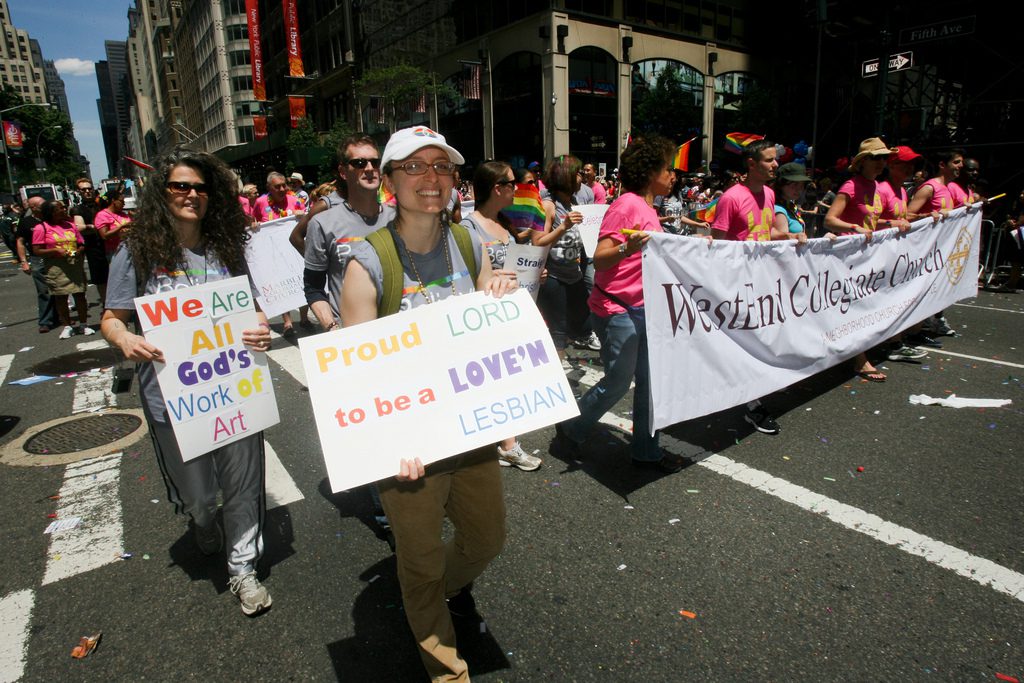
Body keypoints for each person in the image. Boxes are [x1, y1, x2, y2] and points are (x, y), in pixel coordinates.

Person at [340, 126, 516, 682]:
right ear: (389, 182)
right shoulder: (366, 262)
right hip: (409, 447)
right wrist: (392, 442)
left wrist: (503, 289)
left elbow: (495, 309)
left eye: (440, 166)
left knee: (487, 538)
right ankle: (447, 670)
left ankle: (445, 587)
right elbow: (356, 373)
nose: (430, 178)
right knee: (417, 560)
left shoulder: (469, 244)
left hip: (469, 430)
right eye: (413, 167)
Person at [100, 149, 274, 617]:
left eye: (200, 187)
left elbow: (253, 306)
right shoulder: (134, 251)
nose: (192, 195)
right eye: (181, 186)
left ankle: (243, 567)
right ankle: (201, 520)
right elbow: (111, 318)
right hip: (169, 398)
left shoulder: (227, 249)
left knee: (243, 484)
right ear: (162, 192)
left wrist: (260, 328)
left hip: (234, 389)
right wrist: (126, 339)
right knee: (198, 493)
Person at [551, 135, 687, 473]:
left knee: (649, 384)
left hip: (645, 309)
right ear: (649, 172)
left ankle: (645, 450)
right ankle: (573, 427)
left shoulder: (647, 207)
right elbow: (601, 257)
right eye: (667, 169)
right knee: (617, 382)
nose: (673, 175)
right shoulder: (627, 204)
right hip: (618, 310)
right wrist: (628, 248)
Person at [461, 160, 543, 471]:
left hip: (508, 315)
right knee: (495, 381)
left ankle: (501, 440)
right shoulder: (469, 228)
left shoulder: (506, 223)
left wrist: (534, 274)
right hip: (483, 317)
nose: (518, 189)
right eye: (512, 183)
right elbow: (468, 276)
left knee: (507, 380)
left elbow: (514, 266)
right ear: (498, 188)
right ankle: (508, 445)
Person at [710, 139, 782, 434]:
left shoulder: (769, 193)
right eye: (768, 160)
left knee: (761, 337)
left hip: (763, 280)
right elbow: (717, 245)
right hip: (738, 284)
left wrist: (792, 236)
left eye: (775, 159)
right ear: (751, 164)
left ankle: (750, 392)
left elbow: (768, 233)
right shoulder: (731, 197)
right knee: (744, 341)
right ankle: (752, 404)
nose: (775, 164)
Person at [303, 133, 394, 331]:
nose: (369, 169)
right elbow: (313, 288)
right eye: (359, 163)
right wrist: (332, 327)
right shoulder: (322, 224)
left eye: (374, 162)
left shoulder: (398, 219)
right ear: (343, 172)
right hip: (353, 337)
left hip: (399, 333)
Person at [824, 137, 896, 382]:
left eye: (884, 158)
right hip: (848, 257)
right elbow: (830, 219)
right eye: (876, 158)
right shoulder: (850, 186)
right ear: (863, 162)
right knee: (854, 307)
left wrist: (891, 222)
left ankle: (850, 351)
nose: (881, 163)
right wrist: (854, 227)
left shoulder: (879, 188)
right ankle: (860, 360)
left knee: (866, 305)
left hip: (870, 257)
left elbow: (873, 221)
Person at [532, 155, 589, 365]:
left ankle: (560, 359)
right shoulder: (548, 206)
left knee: (582, 323)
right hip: (554, 278)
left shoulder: (575, 203)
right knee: (558, 330)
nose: (581, 177)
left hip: (575, 275)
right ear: (566, 177)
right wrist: (563, 227)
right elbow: (538, 242)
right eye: (577, 173)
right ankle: (559, 375)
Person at [254, 171, 308, 335]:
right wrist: (254, 224)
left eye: (284, 185)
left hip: (295, 249)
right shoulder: (261, 202)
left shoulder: (295, 200)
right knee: (281, 283)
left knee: (302, 280)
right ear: (269, 187)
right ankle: (288, 322)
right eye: (277, 186)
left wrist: (301, 215)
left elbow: (306, 221)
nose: (282, 189)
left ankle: (304, 318)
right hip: (273, 253)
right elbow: (254, 220)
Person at [32, 200, 94, 339]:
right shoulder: (41, 228)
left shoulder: (70, 225)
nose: (64, 209)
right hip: (56, 266)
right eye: (60, 208)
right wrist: (54, 250)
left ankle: (84, 324)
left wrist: (79, 251)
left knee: (79, 294)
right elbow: (37, 250)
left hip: (74, 264)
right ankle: (67, 326)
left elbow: (81, 243)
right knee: (61, 296)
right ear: (52, 212)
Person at [15, 196, 57, 333]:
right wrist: (24, 262)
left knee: (59, 289)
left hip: (55, 256)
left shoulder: (51, 218)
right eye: (41, 205)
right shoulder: (26, 222)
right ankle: (45, 321)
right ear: (33, 207)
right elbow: (20, 242)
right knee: (44, 291)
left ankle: (62, 317)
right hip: (38, 259)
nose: (45, 206)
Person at [69, 178, 108, 306]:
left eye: (89, 188)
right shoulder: (78, 209)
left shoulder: (103, 204)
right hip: (93, 246)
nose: (87, 191)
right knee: (101, 278)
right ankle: (105, 303)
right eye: (83, 189)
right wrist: (92, 227)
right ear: (78, 192)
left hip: (109, 243)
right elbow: (78, 227)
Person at [94, 189, 131, 260]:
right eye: (121, 201)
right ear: (113, 201)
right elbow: (104, 236)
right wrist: (121, 227)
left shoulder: (123, 214)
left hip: (129, 249)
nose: (124, 204)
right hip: (115, 252)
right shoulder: (102, 215)